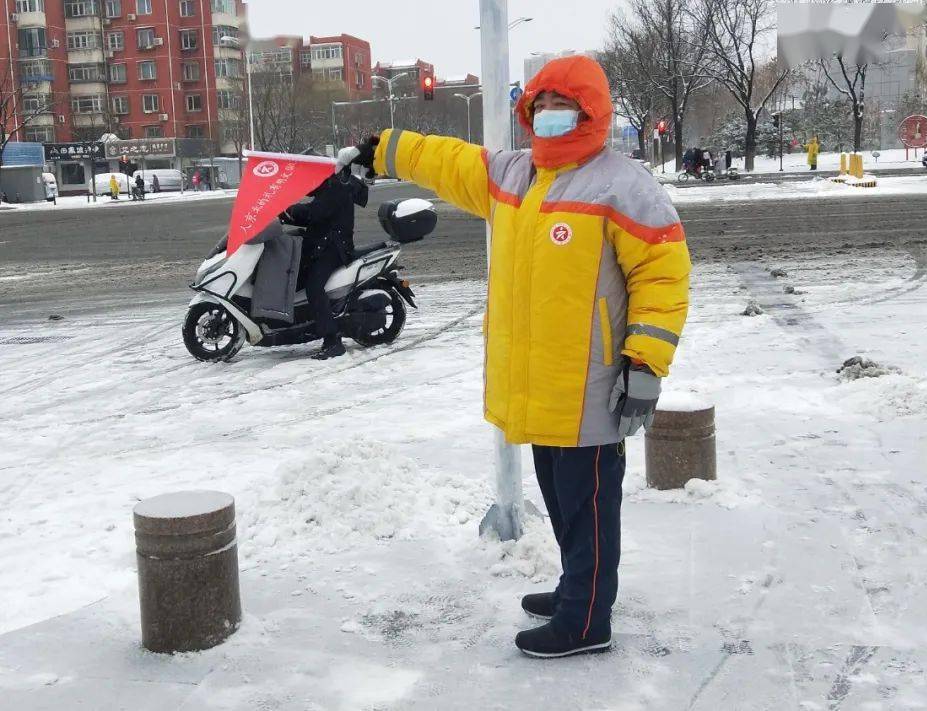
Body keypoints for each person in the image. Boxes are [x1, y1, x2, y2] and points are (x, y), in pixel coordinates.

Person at [354, 55, 690, 658]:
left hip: (592, 387)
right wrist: (385, 148)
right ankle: (573, 593)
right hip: (535, 385)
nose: (548, 116)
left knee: (588, 510)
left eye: (561, 106)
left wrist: (645, 366)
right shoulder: (517, 174)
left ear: (589, 112)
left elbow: (662, 280)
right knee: (562, 503)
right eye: (539, 106)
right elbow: (450, 161)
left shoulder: (624, 184)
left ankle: (587, 621)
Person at [279, 148, 369, 360]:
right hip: (322, 244)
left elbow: (314, 213)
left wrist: (287, 211)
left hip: (334, 248)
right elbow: (314, 215)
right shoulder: (329, 185)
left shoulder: (335, 187)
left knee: (313, 287)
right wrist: (283, 213)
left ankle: (332, 340)